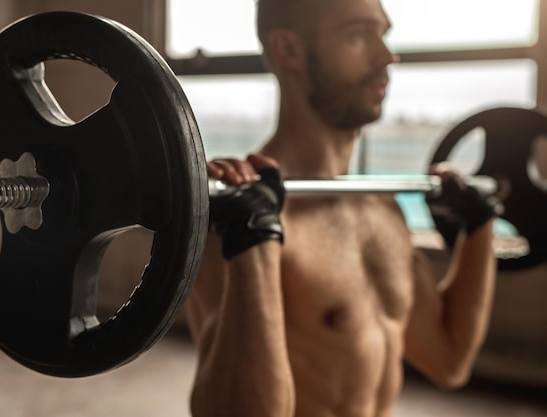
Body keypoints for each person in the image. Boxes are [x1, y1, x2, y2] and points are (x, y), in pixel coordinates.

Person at [184, 0, 498, 415]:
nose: (387, 56)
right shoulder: (233, 220)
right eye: (358, 34)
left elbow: (449, 360)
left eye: (383, 34)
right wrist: (252, 243)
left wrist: (479, 229)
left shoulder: (382, 212)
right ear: (289, 51)